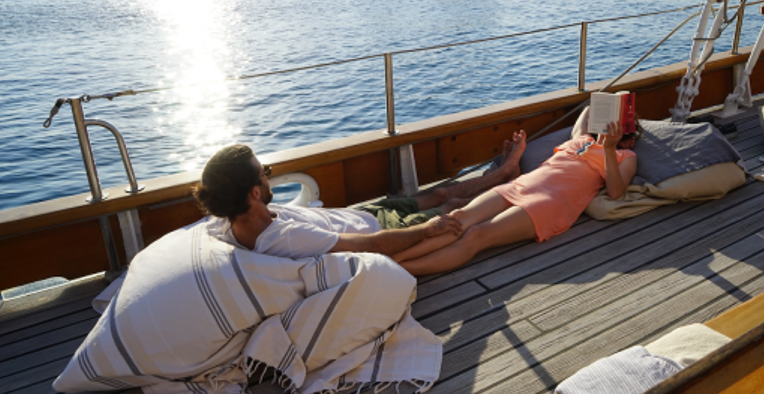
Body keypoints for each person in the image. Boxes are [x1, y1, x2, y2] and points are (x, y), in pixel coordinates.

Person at [191, 133, 527, 260]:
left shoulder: (231, 220)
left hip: (360, 214)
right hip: (380, 230)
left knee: (439, 191)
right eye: (264, 171)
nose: (268, 175)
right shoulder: (287, 238)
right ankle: (506, 179)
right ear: (254, 192)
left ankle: (500, 174)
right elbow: (373, 246)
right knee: (450, 205)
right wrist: (428, 230)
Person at [393, 119, 640, 276]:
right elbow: (586, 111)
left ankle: (402, 269)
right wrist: (610, 105)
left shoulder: (625, 156)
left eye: (625, 130)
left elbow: (616, 192)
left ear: (630, 140)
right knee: (458, 217)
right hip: (523, 184)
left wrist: (610, 148)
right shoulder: (582, 139)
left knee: (476, 235)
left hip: (550, 202)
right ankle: (395, 258)